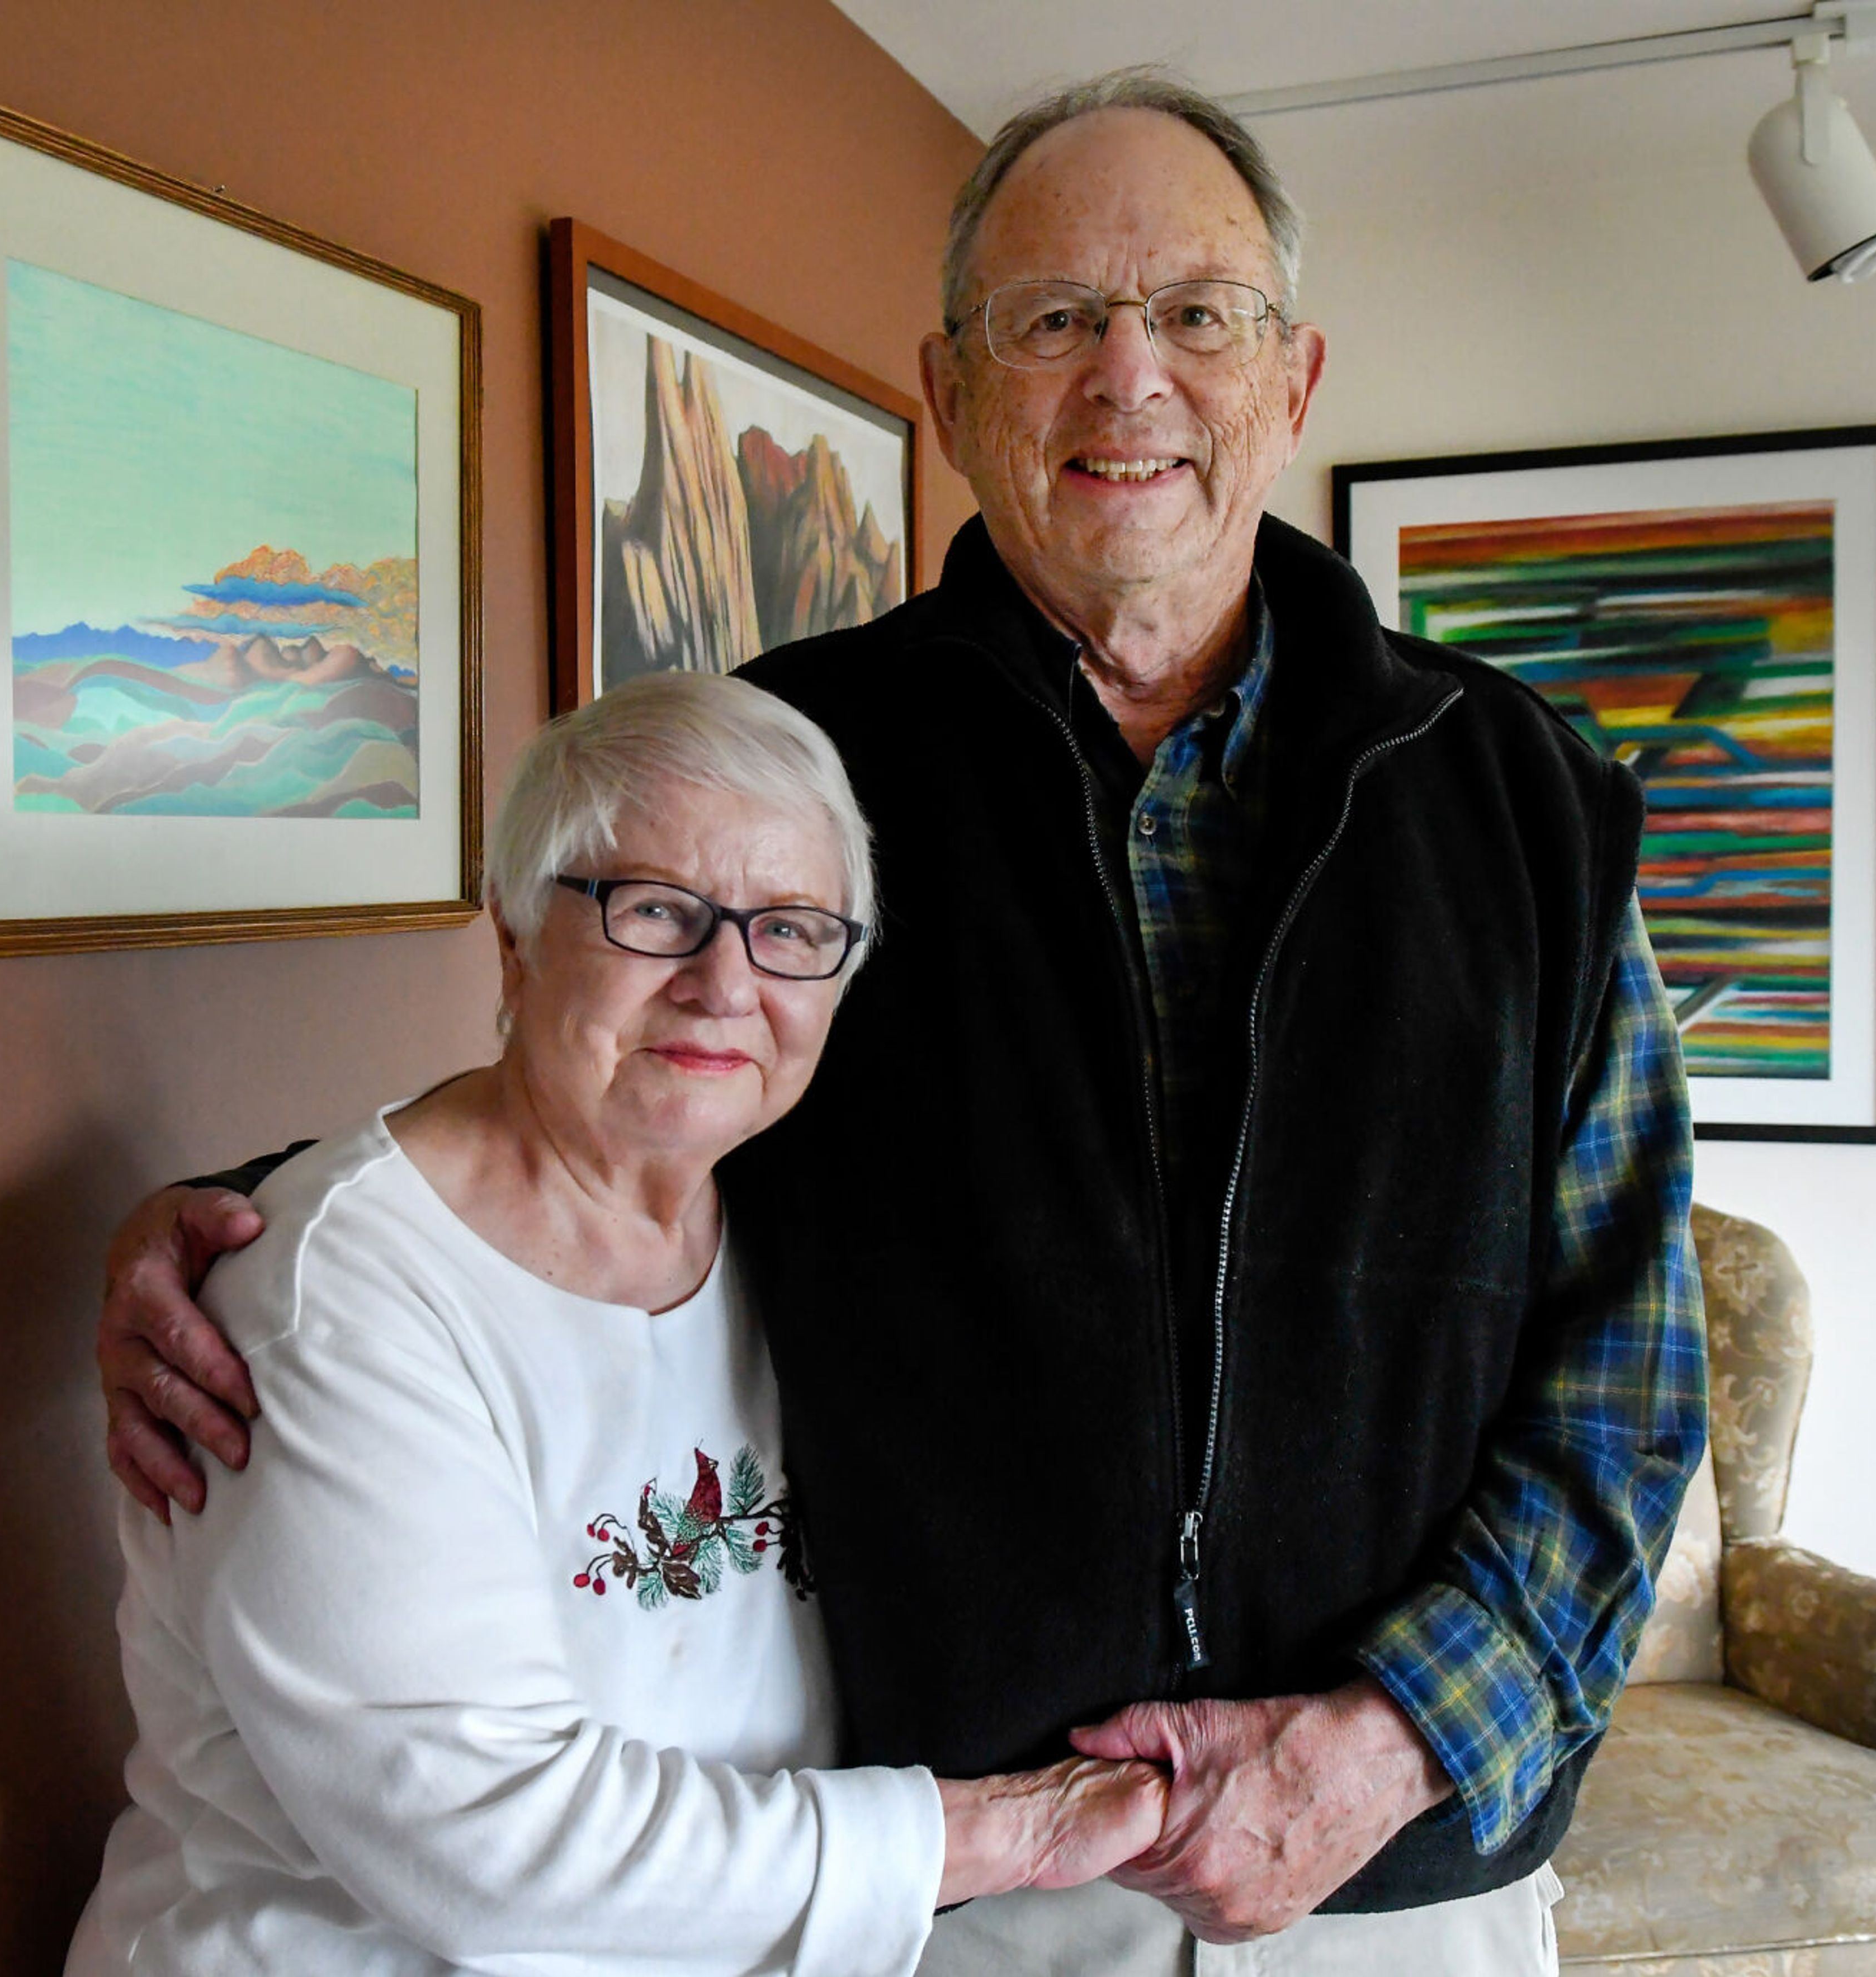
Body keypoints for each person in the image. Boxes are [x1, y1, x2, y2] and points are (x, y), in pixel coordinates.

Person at [98, 72, 1705, 1975]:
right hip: (946, 1879)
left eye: (1199, 314)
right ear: (949, 394)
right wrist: (240, 1224)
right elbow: (615, 1072)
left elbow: (1627, 1367)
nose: (1131, 379)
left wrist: (1401, 1739)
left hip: (1402, 1869)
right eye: (1055, 320)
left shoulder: (1522, 798)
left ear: (1295, 379)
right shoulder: (790, 763)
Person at [67, 673, 1167, 1976]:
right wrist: (1003, 1838)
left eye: (794, 930)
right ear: (517, 935)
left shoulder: (798, 1227)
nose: (725, 984)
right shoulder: (340, 1298)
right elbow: (487, 1845)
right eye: (655, 911)